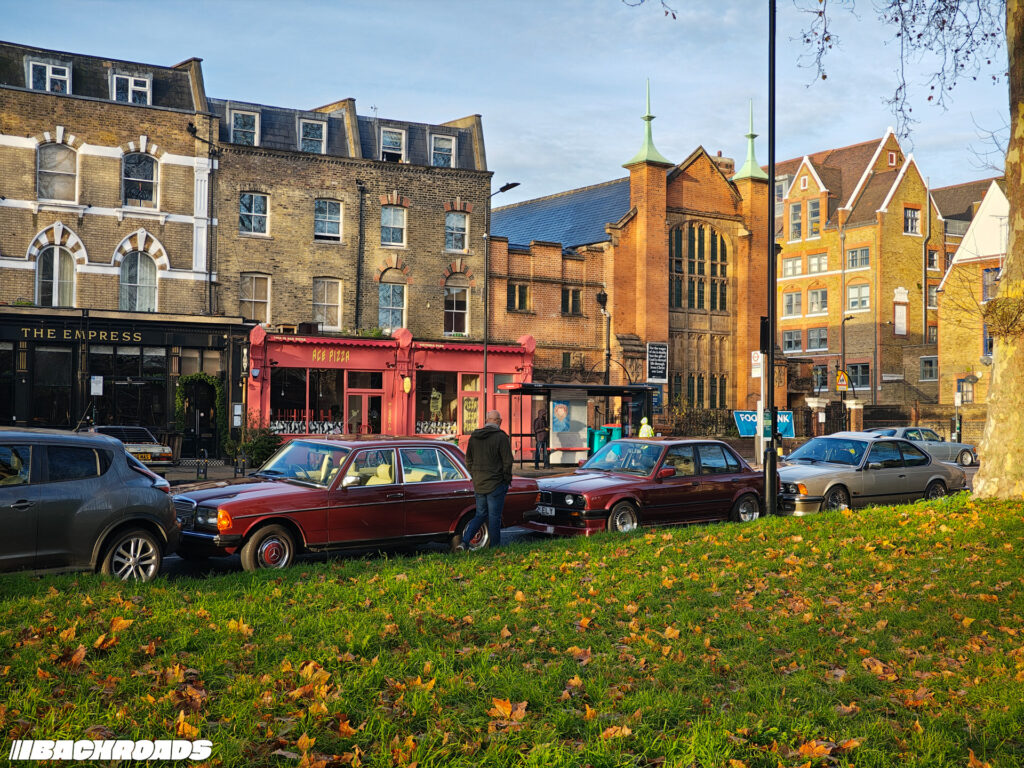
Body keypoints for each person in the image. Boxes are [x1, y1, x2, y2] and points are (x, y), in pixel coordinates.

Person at [459, 410, 513, 549]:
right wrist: (506, 480)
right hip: (496, 483)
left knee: (480, 514)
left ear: (486, 420)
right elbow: (508, 461)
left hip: (479, 483)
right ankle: (495, 548)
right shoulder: (501, 437)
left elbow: (468, 460)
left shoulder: (474, 437)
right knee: (494, 517)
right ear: (499, 421)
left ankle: (465, 542)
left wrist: (475, 475)